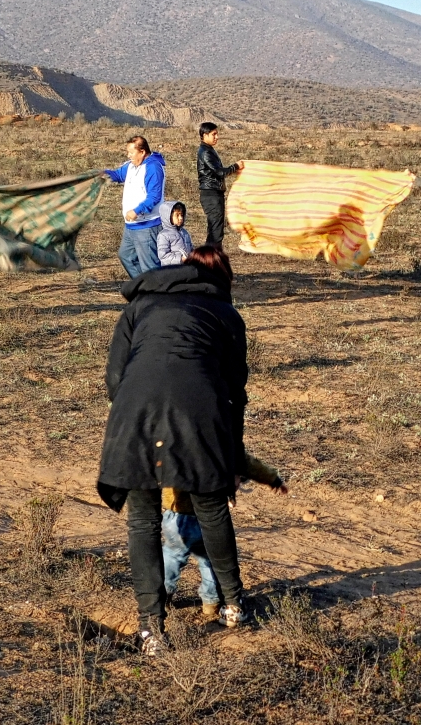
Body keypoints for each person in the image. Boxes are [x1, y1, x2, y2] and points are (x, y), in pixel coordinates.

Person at [97, 246, 251, 655]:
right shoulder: (226, 314)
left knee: (142, 520)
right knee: (212, 508)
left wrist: (139, 419)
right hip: (201, 413)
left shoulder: (138, 307)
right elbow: (235, 392)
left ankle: (151, 629)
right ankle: (234, 605)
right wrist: (232, 459)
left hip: (135, 410)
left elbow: (114, 377)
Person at [163, 451, 285, 619]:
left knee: (172, 555)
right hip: (210, 517)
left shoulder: (173, 438)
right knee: (211, 558)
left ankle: (162, 595)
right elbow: (242, 460)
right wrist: (272, 478)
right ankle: (211, 602)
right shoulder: (214, 437)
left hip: (176, 515)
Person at [105, 136, 166, 278]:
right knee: (126, 256)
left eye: (131, 153)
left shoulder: (153, 168)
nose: (128, 155)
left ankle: (157, 295)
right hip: (131, 226)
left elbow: (154, 196)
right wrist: (104, 174)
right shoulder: (132, 165)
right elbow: (119, 175)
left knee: (149, 266)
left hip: (147, 225)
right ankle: (143, 289)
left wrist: (137, 211)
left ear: (142, 152)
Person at [196, 122, 244, 246]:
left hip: (213, 194)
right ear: (205, 135)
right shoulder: (206, 152)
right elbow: (219, 172)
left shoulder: (208, 150)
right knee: (215, 232)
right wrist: (235, 166)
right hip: (211, 195)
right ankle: (211, 260)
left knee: (215, 230)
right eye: (214, 134)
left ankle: (211, 259)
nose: (217, 137)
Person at [156, 200, 193, 265]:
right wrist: (181, 259)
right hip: (172, 270)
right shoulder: (163, 235)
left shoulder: (184, 232)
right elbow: (163, 256)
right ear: (168, 216)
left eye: (181, 215)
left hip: (185, 267)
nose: (180, 218)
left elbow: (190, 247)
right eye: (177, 215)